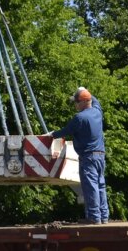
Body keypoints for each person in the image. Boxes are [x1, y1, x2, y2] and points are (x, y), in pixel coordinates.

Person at [46, 86, 109, 224]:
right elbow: (94, 99)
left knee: (90, 185)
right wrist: (84, 89)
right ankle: (103, 217)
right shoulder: (97, 112)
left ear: (82, 102)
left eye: (76, 102)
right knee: (100, 185)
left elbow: (65, 131)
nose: (74, 104)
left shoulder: (79, 118)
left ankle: (93, 217)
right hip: (100, 156)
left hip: (88, 157)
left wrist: (51, 135)